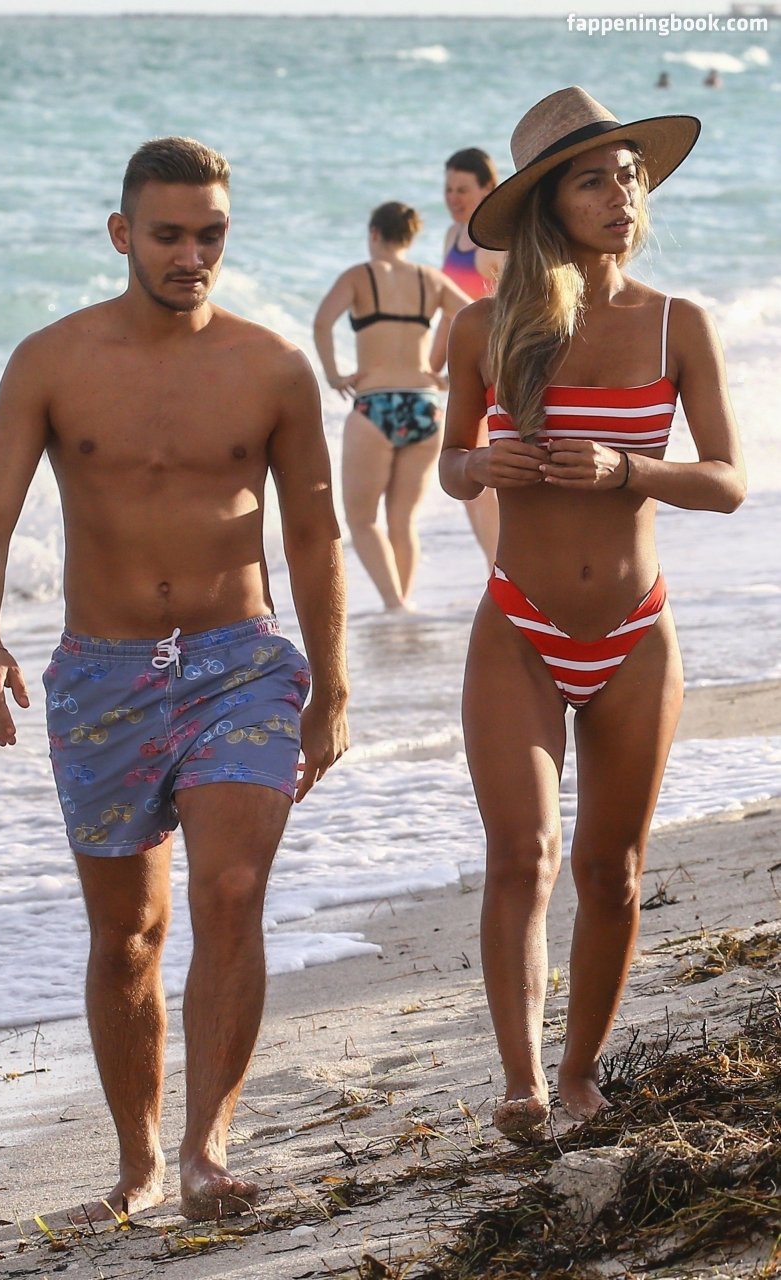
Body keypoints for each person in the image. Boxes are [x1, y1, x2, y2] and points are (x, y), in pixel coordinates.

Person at [0, 136, 350, 1220]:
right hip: (101, 677)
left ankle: (205, 1148)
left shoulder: (273, 366)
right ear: (122, 233)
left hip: (241, 664)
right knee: (128, 934)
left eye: (209, 234)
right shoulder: (50, 361)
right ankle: (136, 1165)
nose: (191, 255)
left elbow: (313, 535)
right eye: (169, 235)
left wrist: (333, 688)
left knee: (231, 890)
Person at [441, 87, 745, 1140]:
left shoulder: (676, 323)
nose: (620, 196)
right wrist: (477, 464)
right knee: (521, 854)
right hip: (517, 628)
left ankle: (578, 1074)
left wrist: (629, 468)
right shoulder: (482, 326)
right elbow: (450, 462)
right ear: (547, 205)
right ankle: (520, 1081)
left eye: (627, 175)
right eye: (591, 180)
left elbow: (727, 481)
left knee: (610, 870)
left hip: (634, 631)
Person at [313, 201, 468, 611]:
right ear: (410, 237)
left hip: (375, 405)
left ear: (374, 234)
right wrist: (451, 376)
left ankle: (394, 605)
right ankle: (404, 606)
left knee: (362, 520)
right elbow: (479, 317)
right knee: (403, 519)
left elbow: (322, 322)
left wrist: (334, 375)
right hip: (424, 406)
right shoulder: (429, 279)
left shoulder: (359, 276)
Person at [432, 148, 506, 563]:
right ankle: (494, 568)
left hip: (495, 374)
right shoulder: (452, 236)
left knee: (487, 479)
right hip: (466, 375)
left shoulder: (497, 242)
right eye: (448, 189)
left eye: (463, 189)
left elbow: (519, 310)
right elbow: (449, 313)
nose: (453, 198)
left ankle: (504, 568)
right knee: (471, 484)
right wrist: (429, 367)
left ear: (488, 188)